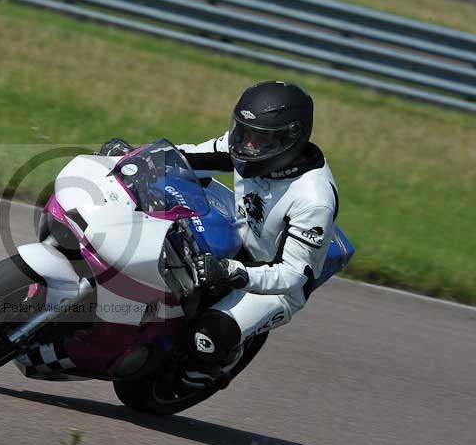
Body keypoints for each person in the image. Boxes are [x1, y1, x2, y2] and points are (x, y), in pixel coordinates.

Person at [99, 81, 339, 387]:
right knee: (160, 205)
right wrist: (135, 157)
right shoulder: (246, 147)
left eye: (261, 138)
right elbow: (186, 159)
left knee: (207, 338)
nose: (247, 144)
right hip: (241, 229)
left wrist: (231, 271)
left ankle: (208, 371)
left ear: (289, 140)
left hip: (272, 280)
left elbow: (293, 275)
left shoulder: (313, 199)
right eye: (243, 131)